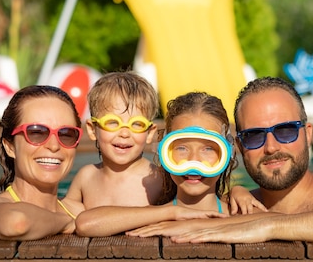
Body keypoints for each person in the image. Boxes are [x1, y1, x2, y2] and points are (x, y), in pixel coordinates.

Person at [128, 77, 313, 243]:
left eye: (284, 131)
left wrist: (270, 225)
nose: (271, 147)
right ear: (239, 147)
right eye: (255, 135)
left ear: (307, 134)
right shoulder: (236, 207)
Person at [75, 91, 247, 236]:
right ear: (164, 152)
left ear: (228, 154)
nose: (193, 161)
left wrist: (199, 224)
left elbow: (274, 220)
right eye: (181, 148)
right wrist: (172, 212)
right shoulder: (154, 215)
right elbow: (85, 224)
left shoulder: (239, 213)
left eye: (208, 149)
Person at [0, 85, 85, 240]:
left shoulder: (81, 213)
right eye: (36, 133)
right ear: (10, 147)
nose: (54, 146)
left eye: (66, 134)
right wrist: (67, 223)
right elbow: (16, 223)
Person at [62, 71, 163, 209]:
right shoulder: (85, 178)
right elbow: (64, 213)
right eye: (113, 122)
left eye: (136, 124)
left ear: (149, 132)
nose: (124, 133)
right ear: (92, 130)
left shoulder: (159, 180)